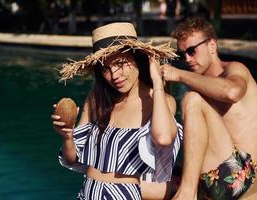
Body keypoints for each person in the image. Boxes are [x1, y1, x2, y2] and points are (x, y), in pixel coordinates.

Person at [52, 22, 183, 199]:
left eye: (120, 63)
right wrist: (67, 135)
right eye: (106, 68)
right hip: (87, 193)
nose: (114, 75)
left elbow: (164, 137)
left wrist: (157, 81)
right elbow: (71, 160)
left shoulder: (159, 101)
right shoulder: (97, 98)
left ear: (138, 59)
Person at [161, 16, 257, 199]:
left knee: (191, 99)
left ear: (212, 45)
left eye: (192, 51)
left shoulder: (234, 69)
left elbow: (232, 92)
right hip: (220, 177)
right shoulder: (200, 88)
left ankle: (187, 194)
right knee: (141, 184)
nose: (187, 59)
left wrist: (180, 75)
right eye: (183, 54)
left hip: (247, 176)